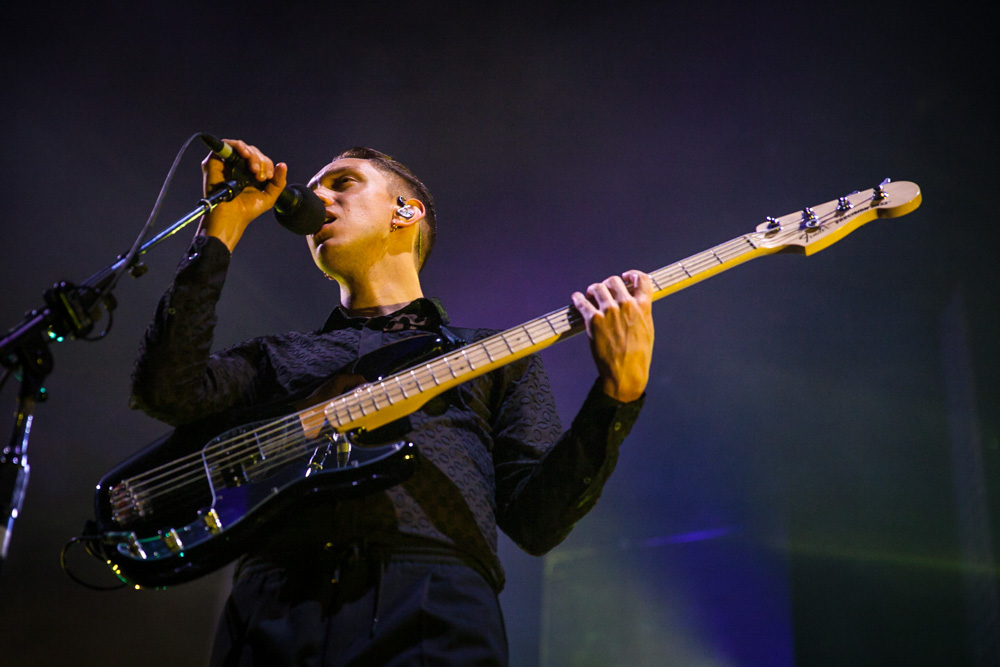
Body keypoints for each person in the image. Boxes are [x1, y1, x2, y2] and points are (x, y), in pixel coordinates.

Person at [129, 139, 655, 666]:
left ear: (406, 211)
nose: (318, 203)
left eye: (342, 183)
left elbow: (537, 521)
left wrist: (616, 397)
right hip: (274, 606)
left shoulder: (494, 356)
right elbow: (165, 389)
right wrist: (218, 230)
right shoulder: (275, 356)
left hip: (432, 601)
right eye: (314, 192)